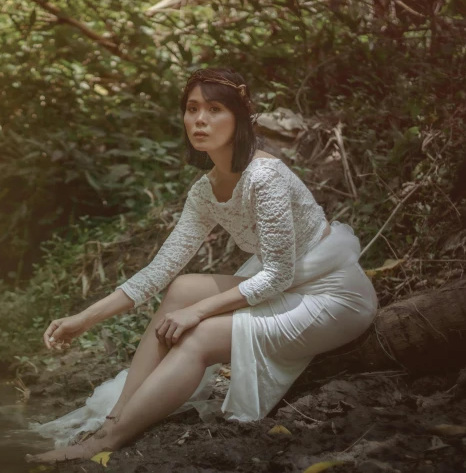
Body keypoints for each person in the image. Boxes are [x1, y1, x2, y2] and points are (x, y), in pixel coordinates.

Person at [25, 68, 378, 464]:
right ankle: (116, 417)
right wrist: (85, 319)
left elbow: (277, 274)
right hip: (291, 284)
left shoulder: (265, 176)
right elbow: (160, 270)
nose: (200, 120)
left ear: (240, 119)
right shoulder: (205, 191)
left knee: (197, 333)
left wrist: (198, 312)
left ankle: (107, 442)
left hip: (332, 297)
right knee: (180, 289)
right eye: (192, 109)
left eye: (214, 109)